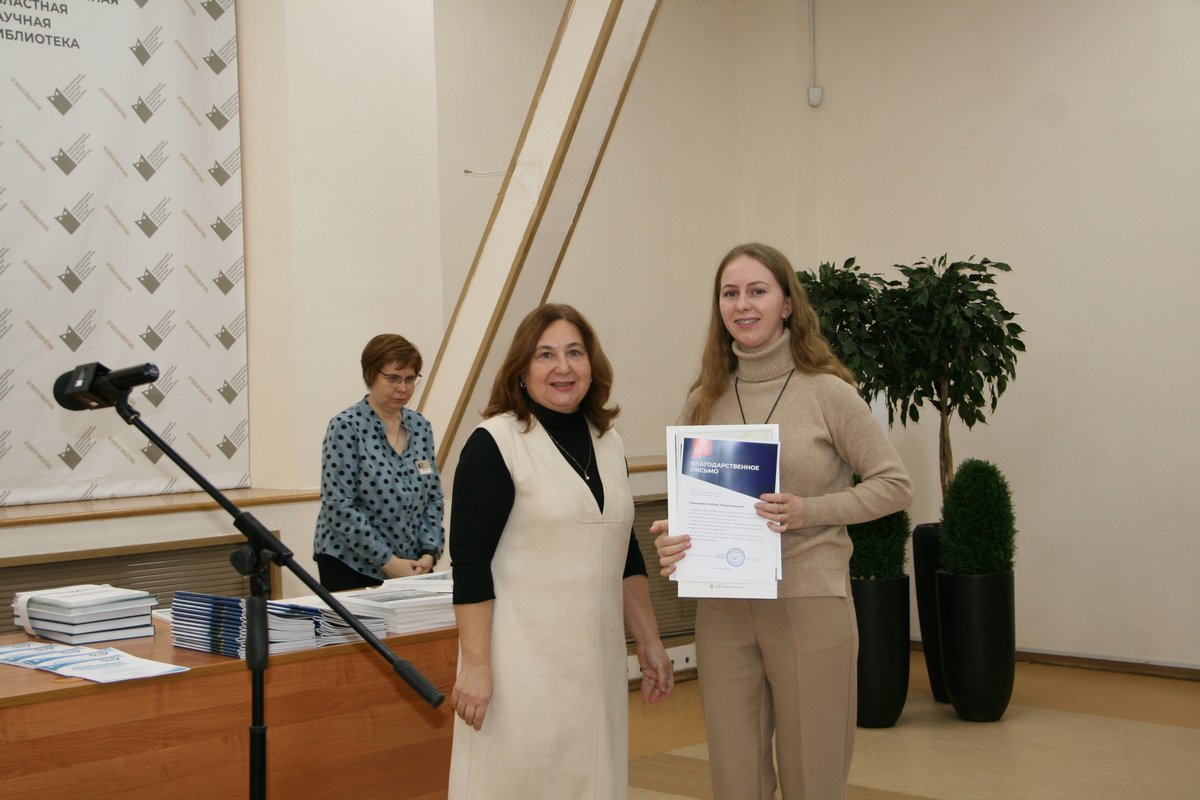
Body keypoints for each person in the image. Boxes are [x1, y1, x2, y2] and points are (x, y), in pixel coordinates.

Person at [653, 243, 912, 800]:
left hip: (808, 602)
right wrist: (673, 538)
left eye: (757, 291)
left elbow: (894, 484)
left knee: (812, 777)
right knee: (735, 779)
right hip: (723, 610)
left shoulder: (828, 392)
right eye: (730, 293)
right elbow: (689, 502)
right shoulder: (704, 399)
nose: (742, 304)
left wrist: (807, 511)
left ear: (788, 304)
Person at [448, 303, 674, 800]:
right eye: (545, 354)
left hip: (597, 668)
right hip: (519, 670)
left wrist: (650, 642)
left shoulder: (608, 442)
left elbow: (625, 552)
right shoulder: (496, 443)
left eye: (575, 352)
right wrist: (476, 666)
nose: (563, 367)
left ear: (592, 364)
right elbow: (469, 563)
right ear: (522, 369)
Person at [312, 334, 444, 592]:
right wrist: (388, 561)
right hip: (351, 564)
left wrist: (429, 552)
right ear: (370, 375)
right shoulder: (346, 426)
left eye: (410, 379)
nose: (402, 388)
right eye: (393, 378)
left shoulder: (421, 427)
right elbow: (338, 505)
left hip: (413, 564)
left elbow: (434, 497)